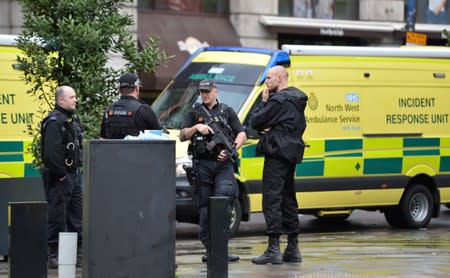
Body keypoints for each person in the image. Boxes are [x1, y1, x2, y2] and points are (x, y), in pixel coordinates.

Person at [179, 79, 247, 263]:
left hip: (223, 166)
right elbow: (182, 135)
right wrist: (196, 127)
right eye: (202, 91)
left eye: (208, 91)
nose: (205, 94)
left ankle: (221, 249)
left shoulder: (227, 111)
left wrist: (232, 149)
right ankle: (210, 250)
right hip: (202, 165)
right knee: (205, 209)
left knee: (223, 205)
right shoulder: (194, 113)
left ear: (216, 91)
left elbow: (242, 133)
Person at [251, 66, 308, 265]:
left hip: (276, 153)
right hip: (290, 153)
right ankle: (293, 248)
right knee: (288, 199)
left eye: (269, 78)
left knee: (272, 199)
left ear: (281, 79)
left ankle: (273, 249)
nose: (266, 81)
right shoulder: (297, 101)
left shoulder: (278, 100)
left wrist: (264, 103)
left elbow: (256, 121)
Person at [41, 86, 84, 269]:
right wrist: (61, 175)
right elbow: (50, 154)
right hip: (61, 177)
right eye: (72, 97)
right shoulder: (53, 121)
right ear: (61, 100)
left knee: (76, 216)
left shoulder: (71, 120)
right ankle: (54, 254)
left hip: (74, 175)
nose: (75, 100)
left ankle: (77, 253)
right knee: (57, 215)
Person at [100, 72, 162, 139]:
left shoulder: (109, 110)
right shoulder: (143, 109)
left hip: (111, 149)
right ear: (137, 88)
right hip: (137, 149)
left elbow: (102, 138)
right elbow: (159, 137)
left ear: (119, 89)